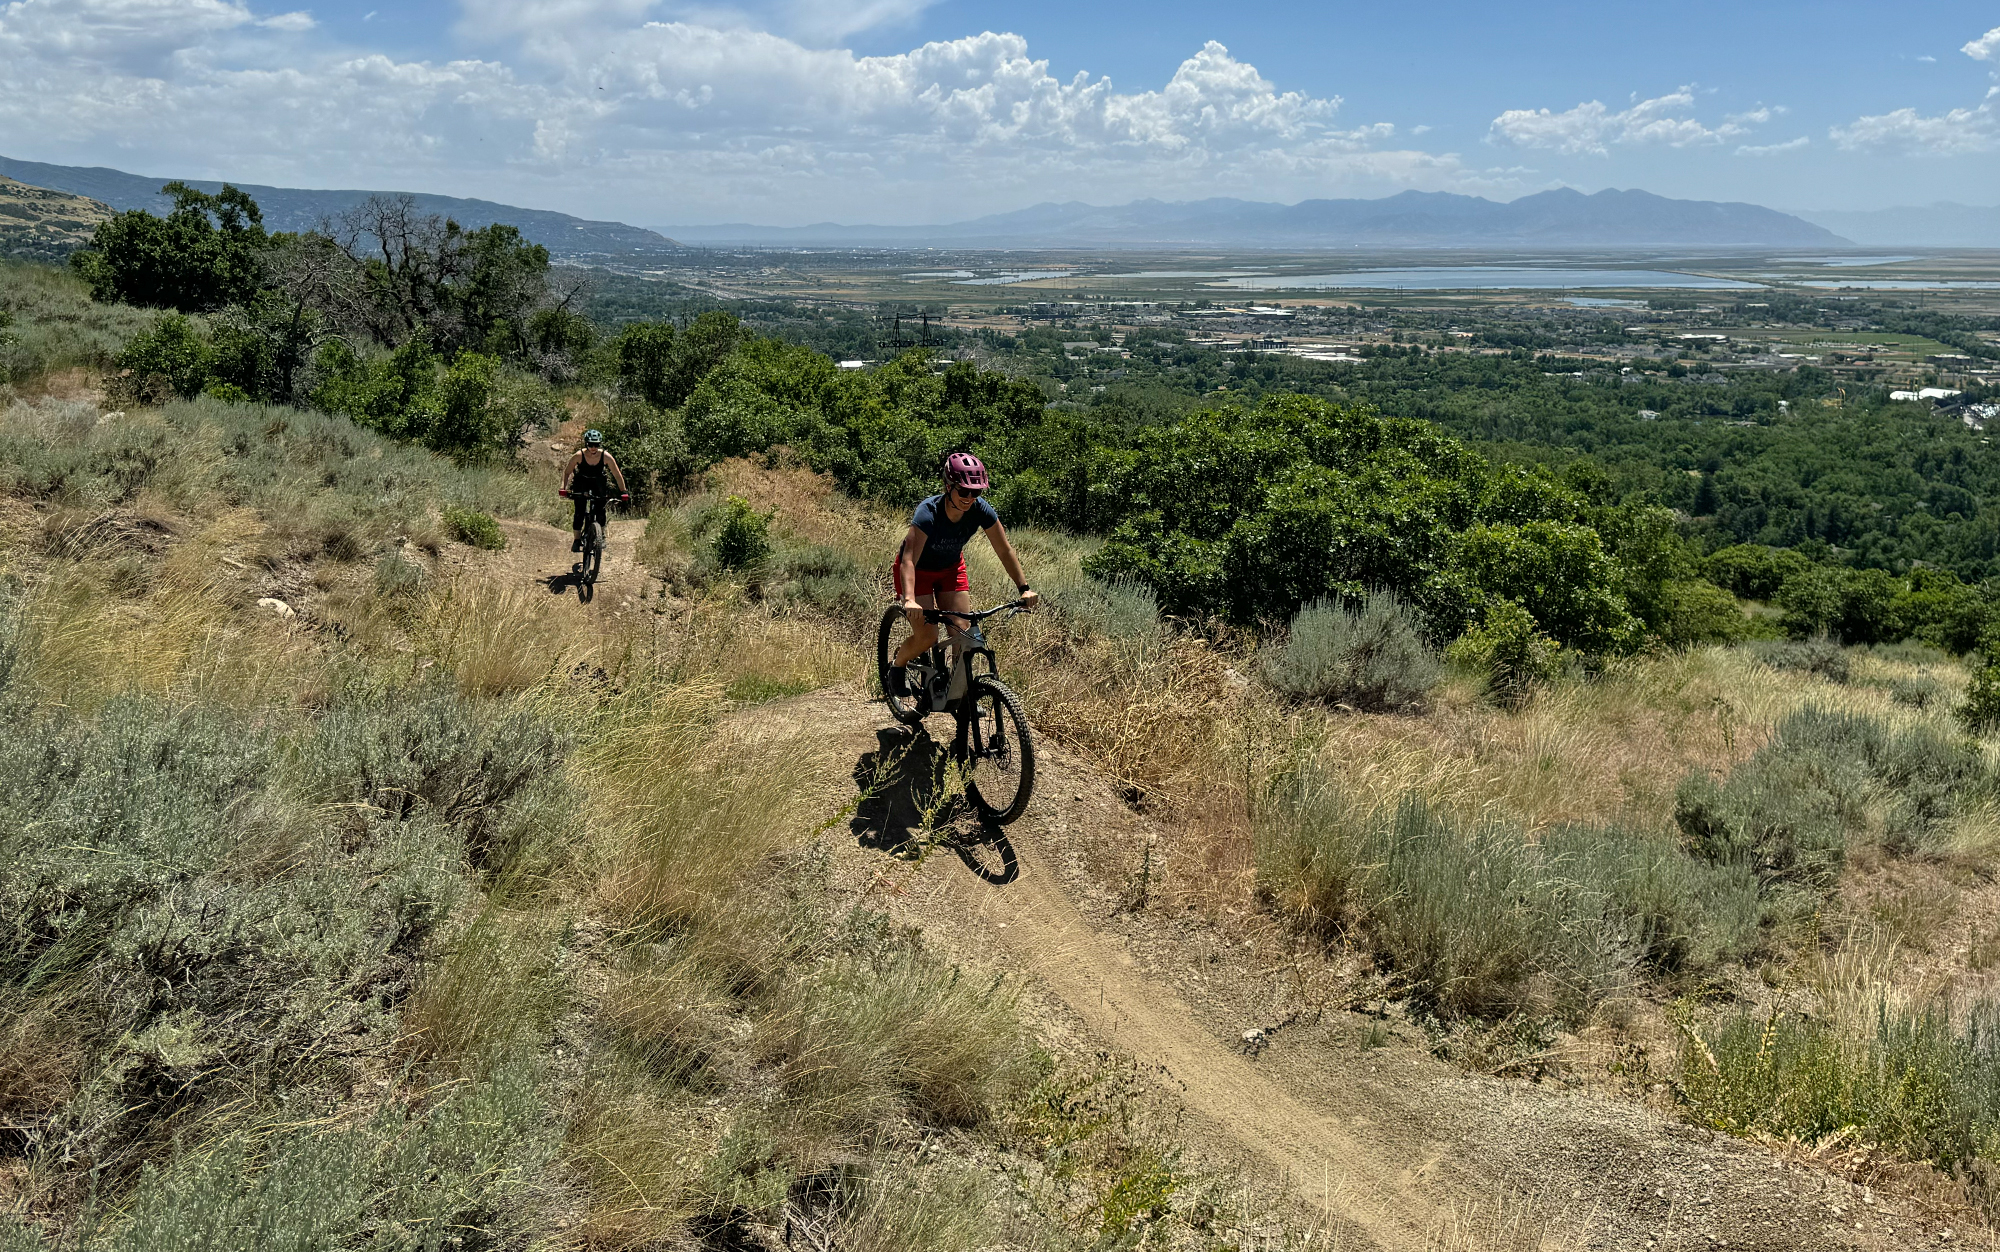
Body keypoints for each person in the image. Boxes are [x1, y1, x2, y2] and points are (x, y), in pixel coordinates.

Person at [888, 452, 1037, 696]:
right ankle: (898, 665)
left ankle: (958, 695)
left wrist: (1024, 588)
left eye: (976, 492)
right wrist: (909, 599)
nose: (970, 498)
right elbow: (908, 559)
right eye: (964, 491)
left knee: (964, 634)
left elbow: (1004, 550)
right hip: (918, 571)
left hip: (950, 569)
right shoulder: (928, 513)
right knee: (927, 636)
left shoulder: (981, 511)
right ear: (948, 486)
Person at [558, 429, 630, 552]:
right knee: (579, 512)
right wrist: (563, 488)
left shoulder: (605, 456)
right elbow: (567, 472)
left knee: (601, 511)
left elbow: (617, 475)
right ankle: (576, 540)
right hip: (582, 482)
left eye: (596, 445)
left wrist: (623, 491)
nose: (593, 448)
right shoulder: (578, 455)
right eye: (591, 444)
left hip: (598, 482)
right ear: (586, 444)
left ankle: (601, 537)